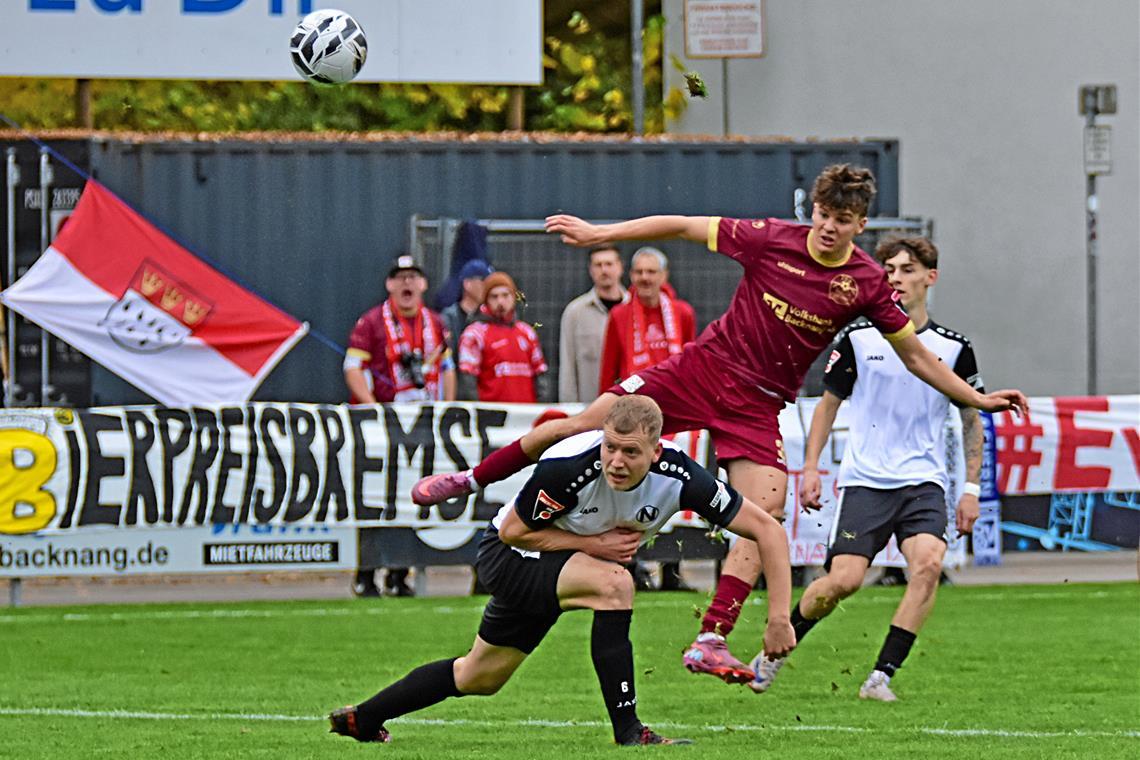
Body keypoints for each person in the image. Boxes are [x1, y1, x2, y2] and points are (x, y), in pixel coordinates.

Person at [412, 164, 1026, 683]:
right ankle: (470, 479)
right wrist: (605, 233)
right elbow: (680, 225)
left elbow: (916, 355)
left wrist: (977, 400)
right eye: (823, 213)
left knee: (764, 514)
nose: (830, 226)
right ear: (812, 210)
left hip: (758, 403)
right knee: (581, 424)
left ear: (860, 225)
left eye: (843, 219)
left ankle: (710, 637)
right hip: (704, 368)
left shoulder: (865, 282)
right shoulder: (770, 237)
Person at [328, 396, 796, 746]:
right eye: (611, 446)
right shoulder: (571, 467)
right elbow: (512, 532)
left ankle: (362, 718)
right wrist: (593, 544)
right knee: (615, 584)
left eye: (630, 452)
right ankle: (630, 733)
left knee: (479, 678)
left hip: (556, 561)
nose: (615, 460)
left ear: (656, 451)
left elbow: (768, 531)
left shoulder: (683, 478)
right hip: (509, 555)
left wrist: (778, 618)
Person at [749, 235, 985, 701]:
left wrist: (971, 488)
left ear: (929, 278)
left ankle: (881, 677)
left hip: (923, 482)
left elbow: (970, 417)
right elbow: (827, 406)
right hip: (866, 483)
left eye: (906, 269)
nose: (896, 278)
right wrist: (812, 467)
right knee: (842, 582)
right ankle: (773, 655)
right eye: (889, 270)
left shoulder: (955, 348)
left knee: (928, 566)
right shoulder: (858, 338)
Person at [344, 254, 457, 597]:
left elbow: (447, 367)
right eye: (400, 277)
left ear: (423, 284)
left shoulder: (435, 322)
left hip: (422, 423)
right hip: (382, 422)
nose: (407, 283)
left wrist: (447, 409)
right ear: (389, 285)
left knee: (414, 493)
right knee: (375, 494)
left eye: (413, 277)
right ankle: (366, 572)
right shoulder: (371, 322)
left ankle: (399, 572)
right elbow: (352, 368)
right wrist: (373, 409)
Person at [598, 246, 697, 592]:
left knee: (672, 488)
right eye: (639, 272)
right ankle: (633, 564)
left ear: (664, 276)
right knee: (630, 490)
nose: (644, 278)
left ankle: (673, 567)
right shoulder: (620, 317)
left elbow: (689, 364)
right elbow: (609, 369)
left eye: (651, 272)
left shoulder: (682, 313)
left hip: (672, 418)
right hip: (631, 421)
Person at [457, 271, 550, 403]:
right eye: (494, 297)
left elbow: (540, 374)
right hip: (492, 417)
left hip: (525, 415)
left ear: (513, 297)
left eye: (505, 295)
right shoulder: (475, 333)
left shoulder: (527, 332)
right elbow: (468, 380)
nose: (500, 301)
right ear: (486, 300)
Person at [558, 246, 627, 403]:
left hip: (630, 409)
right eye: (598, 265)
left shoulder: (634, 309)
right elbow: (568, 366)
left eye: (609, 264)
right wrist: (569, 408)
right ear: (590, 270)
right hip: (589, 407)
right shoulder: (575, 312)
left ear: (620, 267)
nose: (604, 270)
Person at [441, 259, 494, 398]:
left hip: (483, 392)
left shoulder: (489, 318)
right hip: (457, 392)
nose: (488, 287)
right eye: (483, 280)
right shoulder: (449, 318)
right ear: (467, 283)